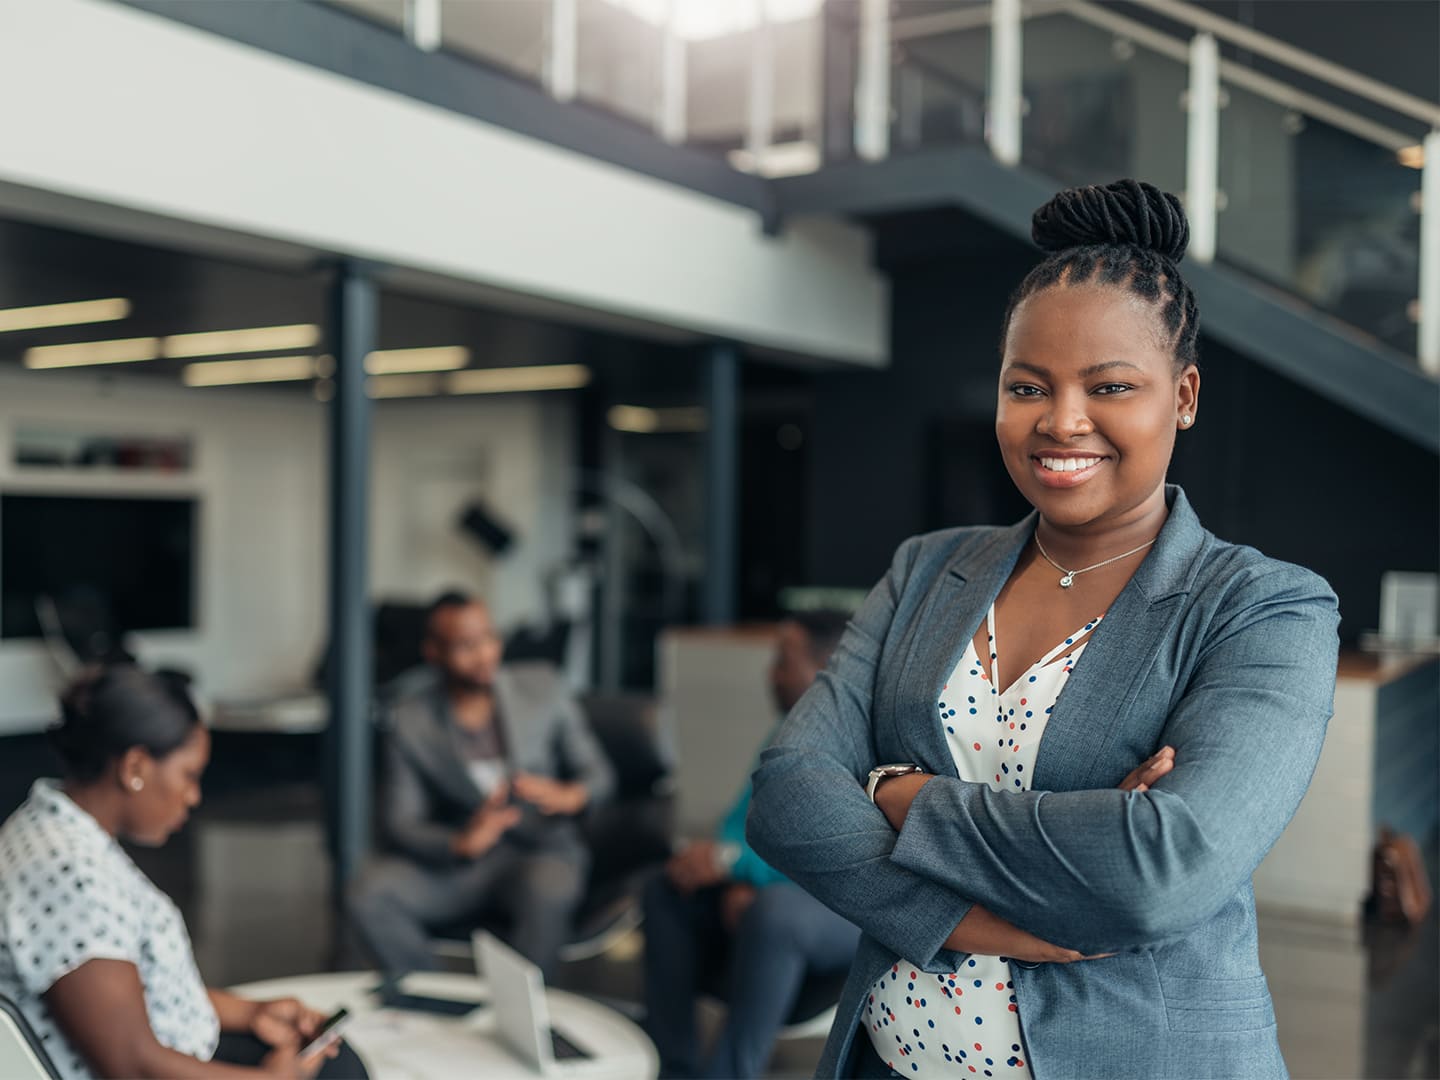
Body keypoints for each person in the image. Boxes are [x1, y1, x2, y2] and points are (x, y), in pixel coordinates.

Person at [746, 180, 1340, 1079]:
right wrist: (970, 914)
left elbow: (1160, 872)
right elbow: (787, 795)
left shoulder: (1263, 607)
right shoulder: (926, 568)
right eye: (1029, 386)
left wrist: (898, 796)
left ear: (1181, 395)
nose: (1061, 421)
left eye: (1110, 387)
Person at [0, 664, 365, 1080]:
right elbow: (132, 1064)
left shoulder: (49, 824)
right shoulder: (65, 875)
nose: (193, 798)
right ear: (135, 767)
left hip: (167, 1046)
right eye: (189, 776)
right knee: (335, 1072)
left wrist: (250, 1013)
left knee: (326, 1057)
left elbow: (125, 993)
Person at [346, 591, 615, 979]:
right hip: (465, 863)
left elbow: (599, 774)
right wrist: (459, 842)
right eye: (465, 645)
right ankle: (436, 998)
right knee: (368, 893)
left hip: (544, 850)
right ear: (433, 652)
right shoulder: (410, 721)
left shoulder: (544, 688)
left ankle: (528, 1017)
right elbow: (401, 822)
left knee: (547, 893)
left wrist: (570, 795)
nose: (484, 654)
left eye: (489, 638)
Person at [643, 611, 861, 1079]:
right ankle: (674, 1066)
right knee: (665, 887)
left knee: (776, 912)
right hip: (771, 888)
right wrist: (724, 865)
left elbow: (835, 853)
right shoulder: (785, 733)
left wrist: (739, 868)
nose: (771, 674)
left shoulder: (864, 744)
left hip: (845, 910)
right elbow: (736, 820)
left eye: (782, 661)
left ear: (827, 671)